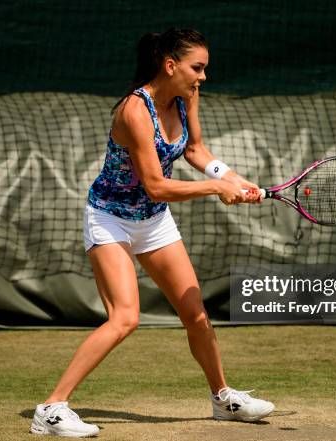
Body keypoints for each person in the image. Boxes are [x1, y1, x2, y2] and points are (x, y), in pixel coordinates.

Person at [30, 28, 273, 438]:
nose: (203, 77)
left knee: (196, 315)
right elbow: (156, 185)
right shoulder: (133, 111)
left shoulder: (186, 97)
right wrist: (217, 189)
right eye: (197, 67)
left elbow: (196, 151)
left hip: (153, 220)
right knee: (125, 318)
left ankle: (223, 399)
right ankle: (51, 409)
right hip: (110, 218)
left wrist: (233, 178)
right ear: (170, 64)